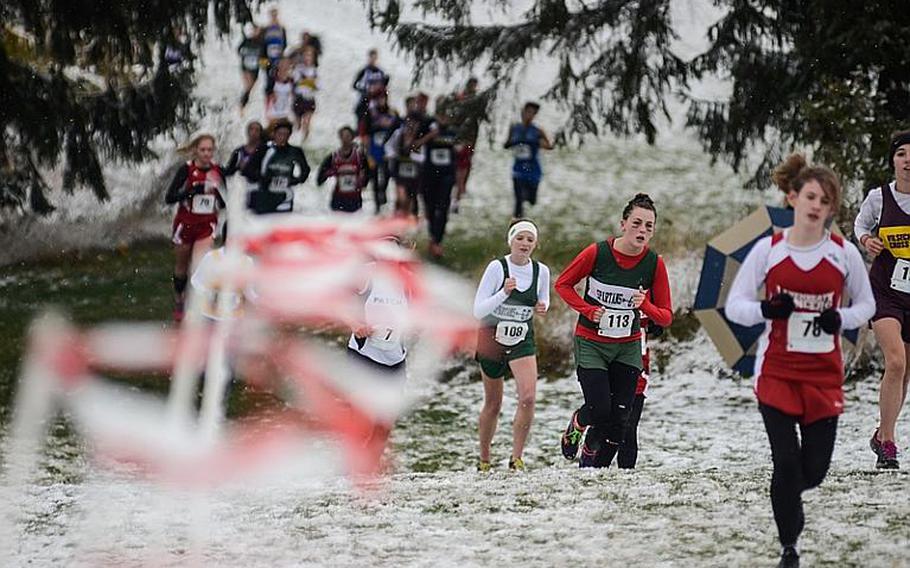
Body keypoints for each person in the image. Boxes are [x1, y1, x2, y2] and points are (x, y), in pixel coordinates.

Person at [727, 154, 875, 568]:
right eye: (810, 196)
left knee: (813, 471)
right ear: (794, 198)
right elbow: (736, 305)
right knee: (785, 462)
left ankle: (791, 499)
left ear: (831, 209)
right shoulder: (768, 250)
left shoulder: (843, 254)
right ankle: (789, 546)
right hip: (776, 373)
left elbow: (867, 304)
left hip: (823, 377)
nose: (816, 205)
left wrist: (840, 318)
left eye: (825, 200)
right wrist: (766, 310)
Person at [556, 193, 672, 468]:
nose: (642, 230)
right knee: (598, 408)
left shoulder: (654, 264)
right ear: (623, 224)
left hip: (628, 344)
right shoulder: (598, 253)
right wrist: (587, 310)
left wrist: (646, 304)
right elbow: (563, 284)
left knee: (621, 417)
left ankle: (593, 467)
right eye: (637, 223)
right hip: (592, 342)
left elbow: (666, 317)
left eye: (648, 226)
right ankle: (577, 424)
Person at [474, 220, 550, 471]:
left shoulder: (542, 271)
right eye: (520, 238)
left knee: (528, 397)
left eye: (530, 239)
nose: (525, 244)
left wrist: (542, 307)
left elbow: (544, 300)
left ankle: (516, 458)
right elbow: (478, 310)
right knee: (493, 403)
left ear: (535, 244)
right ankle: (484, 459)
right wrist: (503, 294)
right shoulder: (497, 268)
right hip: (492, 338)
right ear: (511, 241)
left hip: (521, 339)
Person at [854, 129, 910, 470]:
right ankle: (888, 443)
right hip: (885, 292)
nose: (908, 161)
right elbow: (860, 224)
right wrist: (866, 240)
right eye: (902, 154)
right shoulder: (880, 197)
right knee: (896, 362)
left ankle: (881, 434)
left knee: (905, 374)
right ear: (893, 161)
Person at [560, 314, 662, 468]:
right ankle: (589, 454)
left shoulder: (650, 289)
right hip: (602, 349)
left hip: (634, 355)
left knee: (627, 421)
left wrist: (656, 320)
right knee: (602, 410)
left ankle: (625, 475)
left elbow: (663, 312)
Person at [164, 134, 226, 322]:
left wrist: (216, 192)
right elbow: (170, 197)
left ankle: (198, 303)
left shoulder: (217, 171)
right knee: (182, 266)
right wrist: (192, 192)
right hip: (186, 223)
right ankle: (180, 299)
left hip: (206, 223)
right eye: (203, 150)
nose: (207, 154)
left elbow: (224, 202)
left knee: (200, 266)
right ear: (196, 151)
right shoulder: (187, 170)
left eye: (209, 150)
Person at [412, 99, 459, 258]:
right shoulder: (427, 124)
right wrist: (430, 136)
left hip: (447, 174)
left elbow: (461, 147)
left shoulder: (454, 128)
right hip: (429, 174)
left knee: (443, 207)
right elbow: (414, 145)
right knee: (430, 207)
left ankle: (437, 241)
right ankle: (433, 236)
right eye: (441, 114)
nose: (444, 118)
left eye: (447, 114)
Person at [243, 118, 310, 214]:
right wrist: (262, 178)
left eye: (286, 134)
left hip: (284, 197)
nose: (282, 137)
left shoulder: (295, 151)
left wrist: (295, 180)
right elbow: (248, 170)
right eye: (280, 134)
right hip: (264, 197)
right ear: (273, 134)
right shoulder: (264, 149)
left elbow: (305, 170)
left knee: (282, 226)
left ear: (289, 135)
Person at [504, 102, 553, 219]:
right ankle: (517, 224)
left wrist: (540, 143)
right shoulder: (515, 128)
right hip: (518, 170)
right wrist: (512, 143)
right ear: (523, 112)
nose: (529, 115)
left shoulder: (537, 131)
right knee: (518, 199)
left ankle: (527, 198)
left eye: (532, 113)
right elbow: (506, 144)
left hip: (533, 171)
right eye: (527, 112)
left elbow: (549, 146)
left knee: (532, 200)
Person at [361, 91, 400, 213]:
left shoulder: (392, 113)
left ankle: (383, 191)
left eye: (383, 98)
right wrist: (367, 153)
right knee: (374, 176)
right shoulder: (370, 114)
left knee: (387, 173)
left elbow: (398, 130)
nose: (381, 101)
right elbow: (365, 134)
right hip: (374, 148)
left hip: (389, 149)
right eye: (378, 98)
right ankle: (377, 202)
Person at [316, 126, 370, 213]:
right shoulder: (333, 157)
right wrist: (330, 174)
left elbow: (368, 172)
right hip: (338, 200)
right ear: (340, 138)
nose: (345, 139)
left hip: (355, 199)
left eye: (348, 136)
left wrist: (363, 183)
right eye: (343, 136)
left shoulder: (359, 156)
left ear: (352, 138)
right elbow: (321, 176)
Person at [450, 78, 484, 213]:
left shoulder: (475, 102)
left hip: (469, 141)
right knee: (459, 171)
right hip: (460, 142)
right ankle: (457, 194)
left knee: (465, 167)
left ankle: (459, 193)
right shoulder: (462, 101)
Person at [386, 109, 423, 218]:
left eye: (415, 123)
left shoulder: (421, 137)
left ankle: (411, 217)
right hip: (400, 170)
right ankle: (398, 216)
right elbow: (388, 146)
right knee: (401, 196)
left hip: (415, 172)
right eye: (410, 122)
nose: (412, 126)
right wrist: (392, 154)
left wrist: (413, 156)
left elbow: (424, 155)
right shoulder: (399, 134)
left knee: (412, 197)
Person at [223, 121, 266, 213]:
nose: (253, 132)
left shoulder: (265, 151)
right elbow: (229, 170)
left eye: (257, 130)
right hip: (243, 189)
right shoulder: (239, 151)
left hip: (259, 189)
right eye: (251, 129)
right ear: (247, 132)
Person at [352, 49, 390, 124]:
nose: (373, 60)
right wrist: (364, 90)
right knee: (362, 119)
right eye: (371, 57)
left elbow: (383, 87)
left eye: (374, 58)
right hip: (364, 100)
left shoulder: (380, 72)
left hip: (377, 101)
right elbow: (355, 85)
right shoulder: (364, 71)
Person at [291, 47, 319, 141]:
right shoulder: (298, 68)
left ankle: (304, 140)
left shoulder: (314, 70)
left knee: (307, 121)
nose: (308, 58)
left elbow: (317, 86)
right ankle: (295, 137)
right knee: (298, 123)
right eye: (306, 55)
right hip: (299, 98)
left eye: (310, 55)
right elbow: (295, 82)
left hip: (309, 98)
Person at [260, 6, 287, 95]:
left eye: (275, 14)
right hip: (266, 56)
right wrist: (263, 60)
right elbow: (262, 44)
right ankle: (268, 95)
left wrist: (281, 55)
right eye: (272, 15)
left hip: (277, 55)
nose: (274, 16)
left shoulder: (281, 28)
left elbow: (284, 43)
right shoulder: (265, 29)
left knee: (277, 74)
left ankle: (277, 94)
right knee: (267, 75)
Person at [238, 24, 264, 111]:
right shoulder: (246, 41)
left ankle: (243, 105)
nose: (254, 32)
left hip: (255, 68)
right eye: (253, 30)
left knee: (250, 88)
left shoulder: (261, 43)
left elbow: (264, 57)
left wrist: (263, 64)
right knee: (248, 86)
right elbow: (239, 51)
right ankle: (242, 104)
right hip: (246, 67)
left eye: (256, 30)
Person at [265, 58, 295, 129]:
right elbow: (268, 95)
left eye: (287, 65)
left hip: (286, 111)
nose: (285, 67)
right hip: (273, 110)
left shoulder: (292, 80)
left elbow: (293, 95)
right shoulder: (272, 79)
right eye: (282, 65)